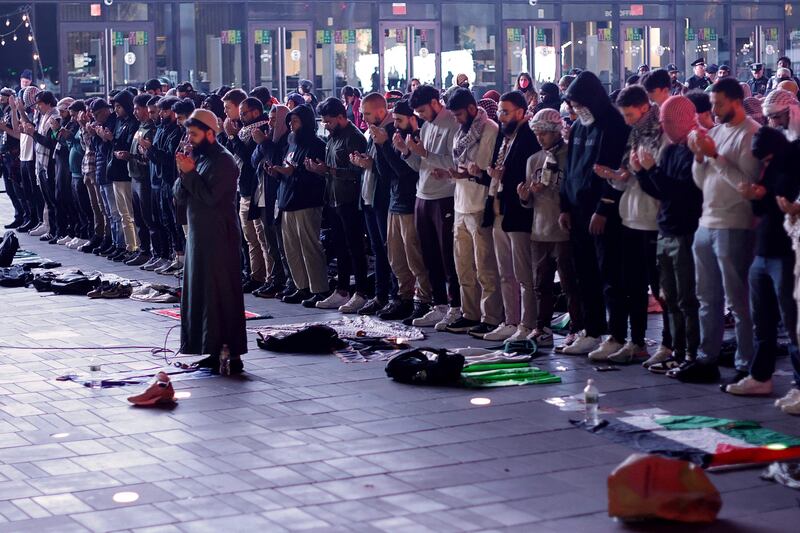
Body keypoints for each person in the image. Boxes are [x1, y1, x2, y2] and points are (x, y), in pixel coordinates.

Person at [674, 78, 761, 384]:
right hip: (706, 221)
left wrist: (713, 155)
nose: (714, 109)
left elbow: (746, 184)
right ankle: (706, 358)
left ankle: (746, 363)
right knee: (706, 296)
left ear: (736, 101)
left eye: (719, 104)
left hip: (734, 223)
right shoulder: (716, 131)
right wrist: (700, 157)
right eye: (712, 104)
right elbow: (702, 181)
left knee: (738, 299)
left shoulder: (751, 134)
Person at [590, 85, 664, 364]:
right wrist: (613, 174)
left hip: (650, 216)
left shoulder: (658, 131)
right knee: (631, 284)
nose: (628, 121)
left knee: (658, 287)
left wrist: (634, 171)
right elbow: (626, 173)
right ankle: (636, 341)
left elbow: (650, 173)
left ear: (644, 107)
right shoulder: (635, 132)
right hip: (630, 214)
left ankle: (669, 345)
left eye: (631, 115)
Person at [559, 71, 630, 355]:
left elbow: (613, 172)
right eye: (573, 106)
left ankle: (616, 334)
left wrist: (603, 208)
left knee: (610, 273)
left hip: (603, 213)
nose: (576, 110)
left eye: (579, 105)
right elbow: (569, 169)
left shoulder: (613, 124)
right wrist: (564, 205)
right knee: (583, 272)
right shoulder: (578, 128)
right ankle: (592, 329)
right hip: (576, 210)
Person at [726, 127, 800, 400]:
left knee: (792, 322)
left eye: (768, 160)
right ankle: (760, 375)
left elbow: (785, 197)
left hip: (786, 252)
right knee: (762, 319)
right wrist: (755, 196)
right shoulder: (769, 166)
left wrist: (765, 196)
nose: (765, 164)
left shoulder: (791, 164)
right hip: (765, 248)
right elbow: (764, 208)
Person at [173, 108, 247, 374]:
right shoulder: (200, 158)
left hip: (219, 236)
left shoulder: (224, 161)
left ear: (210, 133)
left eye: (194, 134)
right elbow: (180, 195)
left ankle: (231, 353)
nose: (190, 139)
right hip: (199, 235)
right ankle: (212, 349)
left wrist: (190, 173)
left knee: (222, 295)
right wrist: (184, 172)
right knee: (202, 294)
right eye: (188, 134)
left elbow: (211, 197)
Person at [635, 95, 703, 373]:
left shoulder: (693, 151)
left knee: (686, 297)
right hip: (666, 228)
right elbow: (661, 190)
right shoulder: (674, 150)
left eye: (666, 122)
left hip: (684, 230)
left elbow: (681, 193)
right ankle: (676, 350)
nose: (663, 128)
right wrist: (642, 173)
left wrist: (651, 170)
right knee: (669, 296)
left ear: (679, 121)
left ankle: (690, 353)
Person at [395, 85, 462, 329]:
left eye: (422, 110)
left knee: (447, 256)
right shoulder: (426, 126)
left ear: (436, 102)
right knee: (429, 254)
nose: (420, 116)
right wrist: (406, 152)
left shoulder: (452, 124)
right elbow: (419, 165)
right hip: (422, 194)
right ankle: (439, 304)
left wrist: (424, 153)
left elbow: (454, 162)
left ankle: (455, 307)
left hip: (445, 195)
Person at [442, 88, 503, 336]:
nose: (455, 119)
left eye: (457, 114)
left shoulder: (489, 129)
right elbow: (462, 164)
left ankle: (491, 316)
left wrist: (464, 172)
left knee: (485, 266)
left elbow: (483, 166)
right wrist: (455, 173)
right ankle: (470, 313)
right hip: (460, 202)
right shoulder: (462, 131)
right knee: (463, 265)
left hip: (479, 203)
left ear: (470, 109)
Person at [519, 108, 581, 347]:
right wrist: (525, 196)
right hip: (539, 228)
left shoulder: (570, 155)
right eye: (537, 134)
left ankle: (578, 327)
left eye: (544, 133)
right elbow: (528, 200)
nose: (540, 138)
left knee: (569, 283)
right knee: (541, 284)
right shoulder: (533, 160)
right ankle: (541, 327)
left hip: (563, 228)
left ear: (556, 131)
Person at [482, 91, 540, 341]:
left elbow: (525, 176)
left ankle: (528, 324)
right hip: (499, 209)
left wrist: (502, 176)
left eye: (505, 112)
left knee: (523, 274)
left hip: (518, 212)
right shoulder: (506, 137)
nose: (501, 116)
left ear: (520, 112)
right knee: (505, 272)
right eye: (499, 112)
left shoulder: (529, 138)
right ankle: (510, 320)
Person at [307, 97, 369, 312]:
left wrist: (329, 171)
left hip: (350, 199)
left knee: (355, 248)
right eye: (324, 122)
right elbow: (330, 167)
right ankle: (342, 290)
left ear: (342, 117)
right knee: (340, 247)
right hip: (333, 198)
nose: (326, 125)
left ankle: (361, 292)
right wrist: (319, 170)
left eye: (329, 121)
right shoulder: (333, 137)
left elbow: (358, 171)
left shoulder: (355, 137)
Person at [273, 102, 329, 306]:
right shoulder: (291, 142)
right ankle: (301, 286)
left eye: (295, 121)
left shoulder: (316, 145)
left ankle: (319, 288)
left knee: (309, 247)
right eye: (290, 121)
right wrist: (279, 172)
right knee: (292, 248)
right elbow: (289, 167)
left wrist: (294, 172)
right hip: (288, 200)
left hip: (307, 201)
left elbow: (317, 176)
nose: (291, 125)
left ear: (305, 122)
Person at [382, 98, 432, 321]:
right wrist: (381, 146)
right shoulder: (394, 135)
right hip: (394, 200)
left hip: (411, 201)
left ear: (412, 118)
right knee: (396, 255)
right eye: (393, 119)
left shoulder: (418, 137)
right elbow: (387, 172)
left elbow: (406, 172)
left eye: (399, 120)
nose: (395, 124)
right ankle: (403, 297)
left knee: (415, 256)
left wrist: (390, 147)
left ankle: (423, 299)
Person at [350, 93, 396, 315]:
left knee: (390, 250)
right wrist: (363, 161)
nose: (364, 118)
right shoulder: (372, 131)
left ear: (380, 111)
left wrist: (371, 164)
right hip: (369, 196)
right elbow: (373, 161)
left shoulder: (390, 130)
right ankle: (380, 296)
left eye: (367, 113)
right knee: (378, 250)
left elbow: (390, 169)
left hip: (384, 198)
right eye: (362, 114)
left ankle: (395, 296)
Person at [224, 91, 272, 294]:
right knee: (250, 237)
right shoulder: (243, 130)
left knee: (262, 238)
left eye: (244, 113)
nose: (240, 117)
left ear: (256, 112)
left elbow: (250, 160)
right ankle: (255, 275)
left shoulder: (260, 131)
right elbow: (231, 153)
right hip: (242, 188)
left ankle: (270, 278)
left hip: (255, 189)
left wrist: (233, 136)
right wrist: (232, 136)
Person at [251, 104, 291, 299]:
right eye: (270, 117)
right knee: (269, 242)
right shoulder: (269, 138)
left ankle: (285, 280)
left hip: (277, 196)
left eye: (275, 118)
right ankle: (275, 279)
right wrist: (262, 143)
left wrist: (265, 143)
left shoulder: (285, 140)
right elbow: (253, 161)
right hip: (263, 194)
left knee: (280, 242)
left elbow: (277, 159)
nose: (271, 122)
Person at [141, 96, 185, 272]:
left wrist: (150, 148)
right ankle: (171, 255)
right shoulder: (161, 128)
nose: (161, 114)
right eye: (160, 111)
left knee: (176, 222)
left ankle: (180, 256)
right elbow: (157, 157)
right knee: (164, 220)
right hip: (159, 181)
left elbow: (168, 158)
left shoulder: (176, 132)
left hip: (170, 181)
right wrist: (147, 150)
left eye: (165, 111)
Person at [108, 90, 141, 262]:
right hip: (116, 170)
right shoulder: (120, 122)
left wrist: (112, 139)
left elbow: (127, 144)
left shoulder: (134, 123)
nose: (116, 110)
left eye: (119, 107)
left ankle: (136, 246)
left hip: (127, 172)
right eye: (115, 107)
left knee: (130, 213)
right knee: (122, 214)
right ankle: (129, 246)